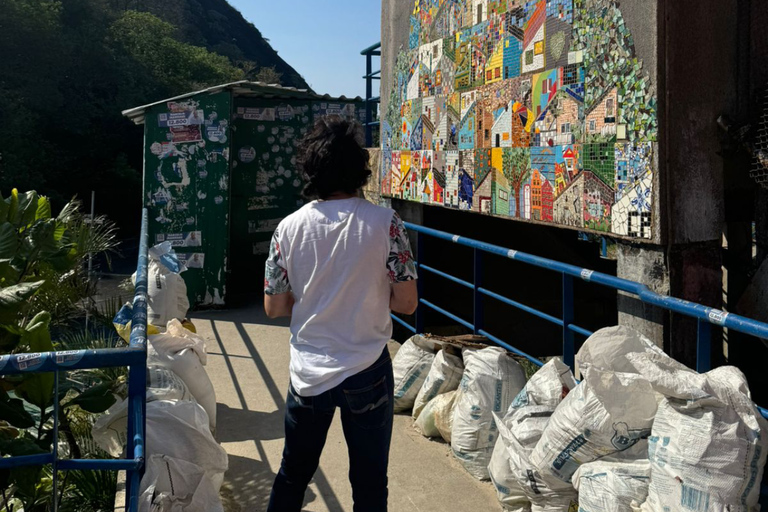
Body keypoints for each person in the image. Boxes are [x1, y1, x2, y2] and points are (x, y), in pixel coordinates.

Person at [264, 115, 418, 512]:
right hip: (366, 369)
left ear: (310, 170)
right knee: (369, 483)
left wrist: (318, 297)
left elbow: (274, 306)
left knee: (292, 474)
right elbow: (406, 303)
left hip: (308, 372)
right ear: (360, 170)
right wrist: (362, 295)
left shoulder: (287, 228)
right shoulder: (386, 223)